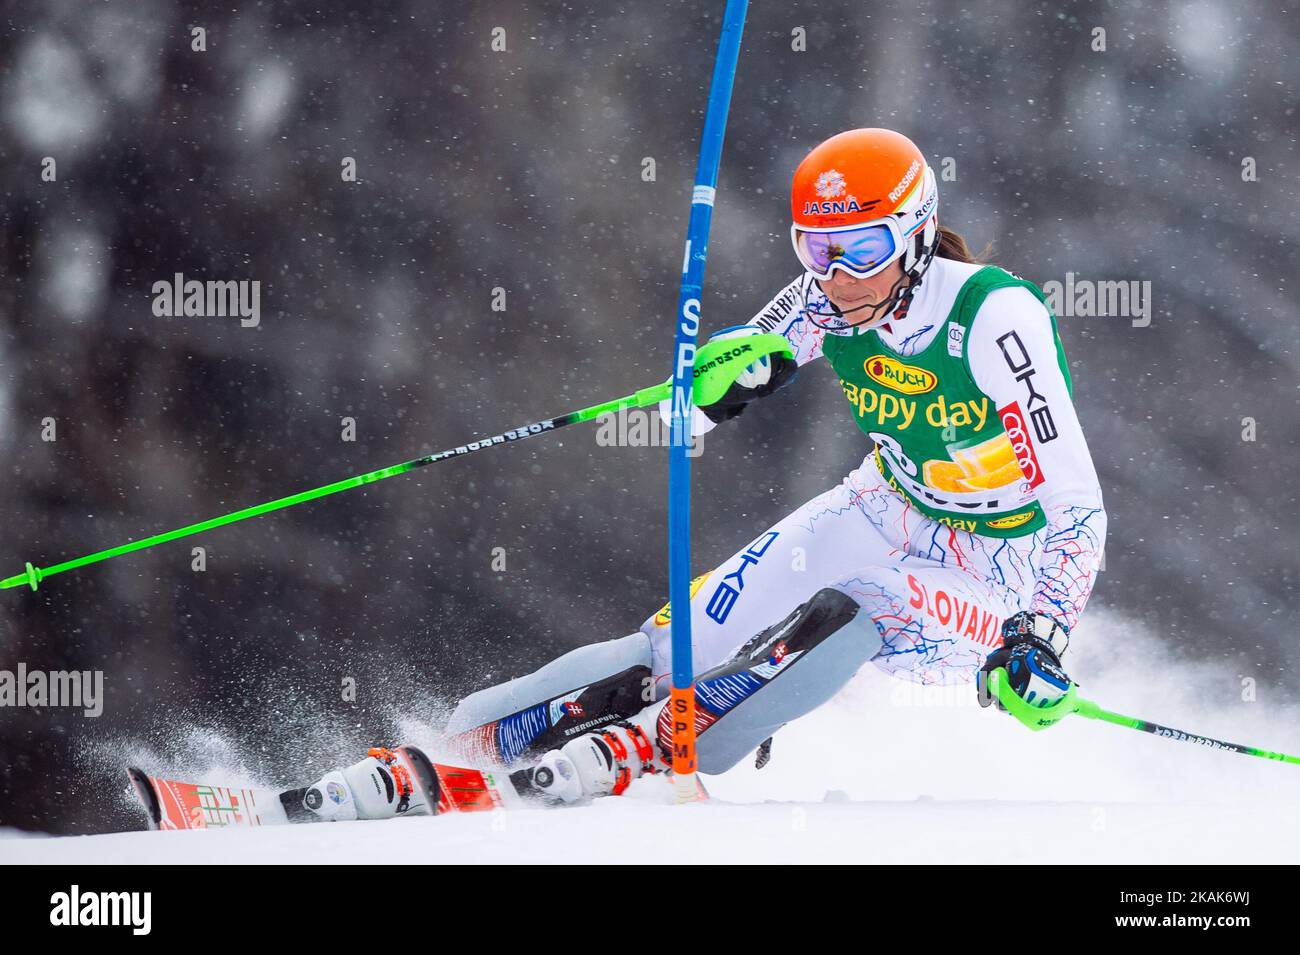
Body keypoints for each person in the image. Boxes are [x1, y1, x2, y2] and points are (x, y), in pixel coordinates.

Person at [305, 128, 1107, 818]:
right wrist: (704, 389)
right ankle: (445, 754)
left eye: (865, 250)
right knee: (669, 648)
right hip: (883, 504)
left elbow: (1078, 508)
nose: (840, 276)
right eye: (817, 250)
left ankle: (665, 742)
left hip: (1000, 562)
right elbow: (728, 373)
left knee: (869, 600)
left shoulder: (993, 317)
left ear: (919, 234)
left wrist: (1042, 634)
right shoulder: (825, 300)